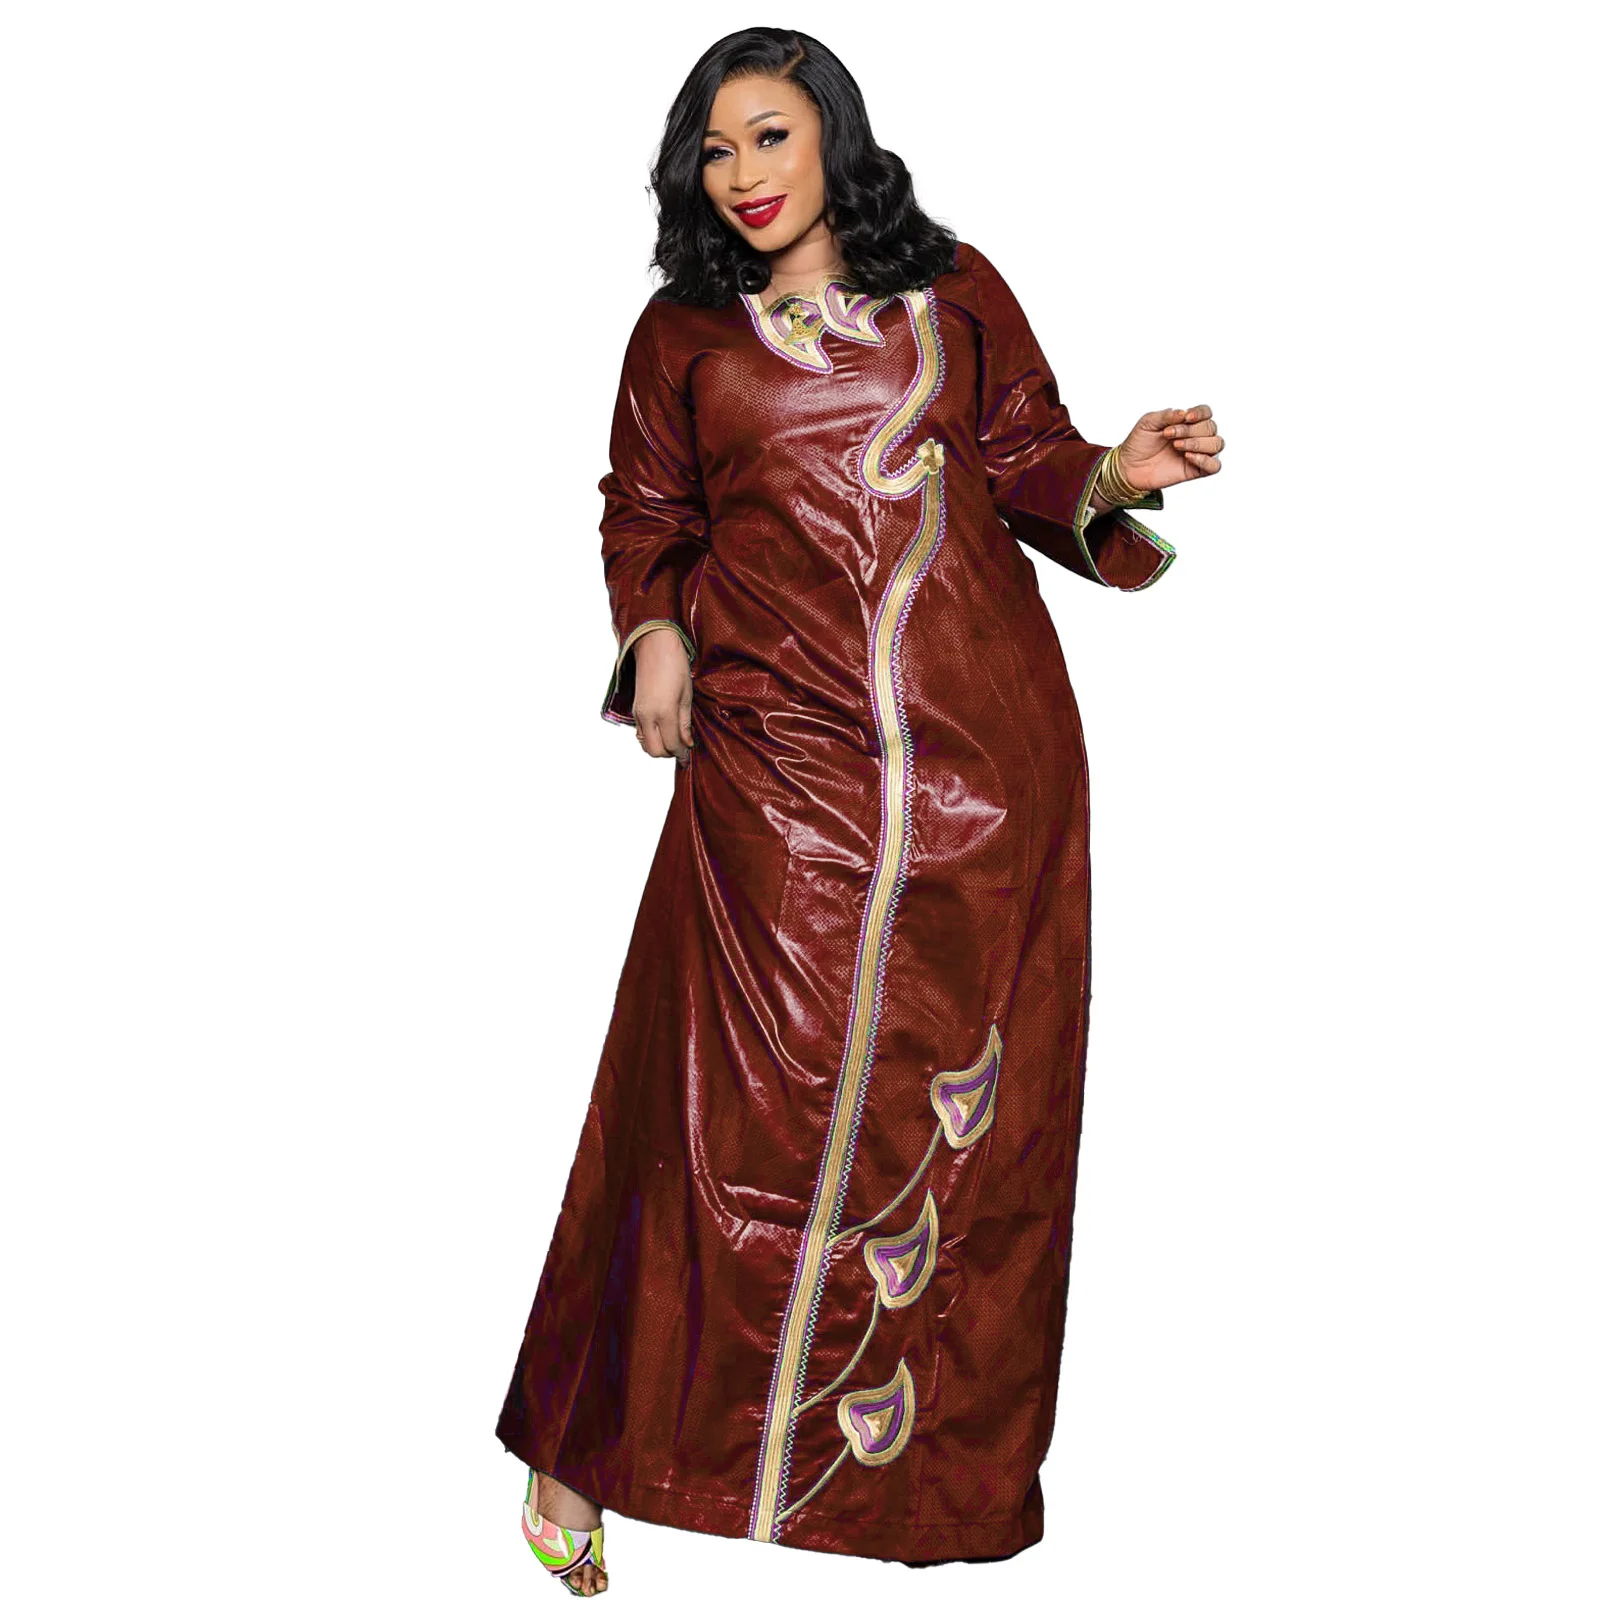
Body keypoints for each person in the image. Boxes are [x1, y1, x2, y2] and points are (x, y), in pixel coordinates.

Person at [497, 25, 1223, 1589]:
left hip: (980, 779)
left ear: (833, 133)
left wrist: (1115, 471)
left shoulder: (954, 289)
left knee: (968, 1142)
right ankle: (584, 1446)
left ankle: (907, 1496)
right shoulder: (682, 333)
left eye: (770, 135)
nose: (742, 174)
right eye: (715, 149)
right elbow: (645, 510)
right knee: (694, 1109)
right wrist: (657, 631)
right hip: (773, 771)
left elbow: (1026, 456)